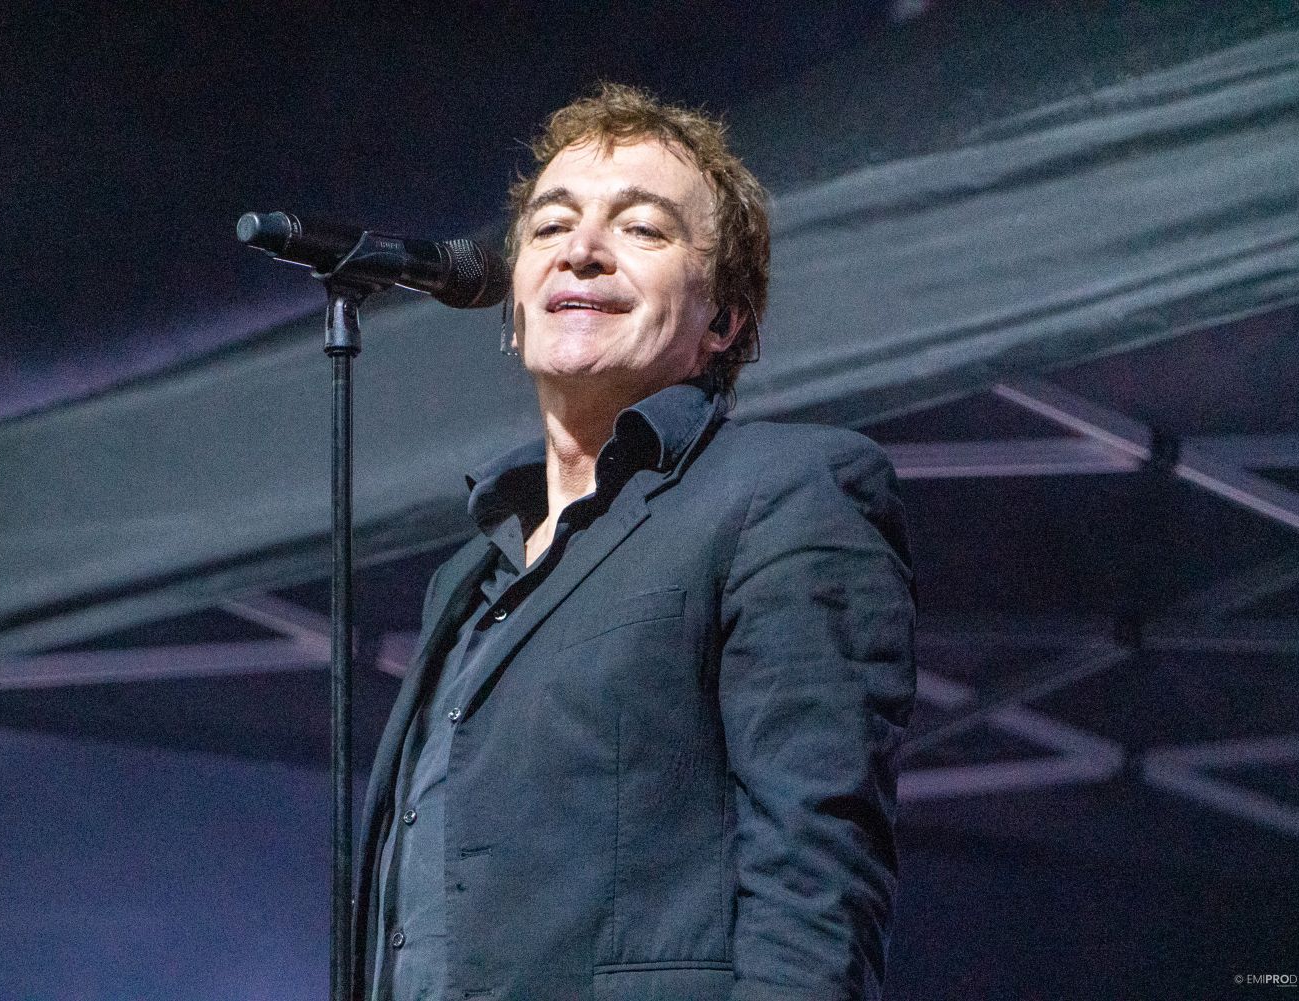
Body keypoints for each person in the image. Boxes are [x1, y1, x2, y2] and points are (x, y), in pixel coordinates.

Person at [354, 83, 915, 1001]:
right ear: (514, 310)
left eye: (643, 228)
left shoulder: (786, 491)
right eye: (549, 226)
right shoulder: (466, 577)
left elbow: (816, 881)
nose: (580, 249)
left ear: (724, 319)